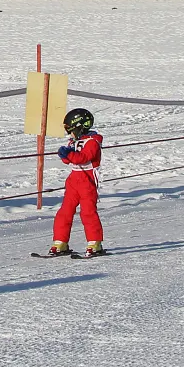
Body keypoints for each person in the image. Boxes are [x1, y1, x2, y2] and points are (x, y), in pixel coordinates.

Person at [46, 108, 105, 258]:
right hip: (73, 181)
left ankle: (94, 243)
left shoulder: (93, 142)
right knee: (65, 211)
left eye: (71, 131)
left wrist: (70, 154)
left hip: (87, 181)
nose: (69, 134)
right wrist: (64, 154)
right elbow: (69, 160)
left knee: (88, 212)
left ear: (80, 127)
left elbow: (83, 158)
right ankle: (60, 242)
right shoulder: (74, 141)